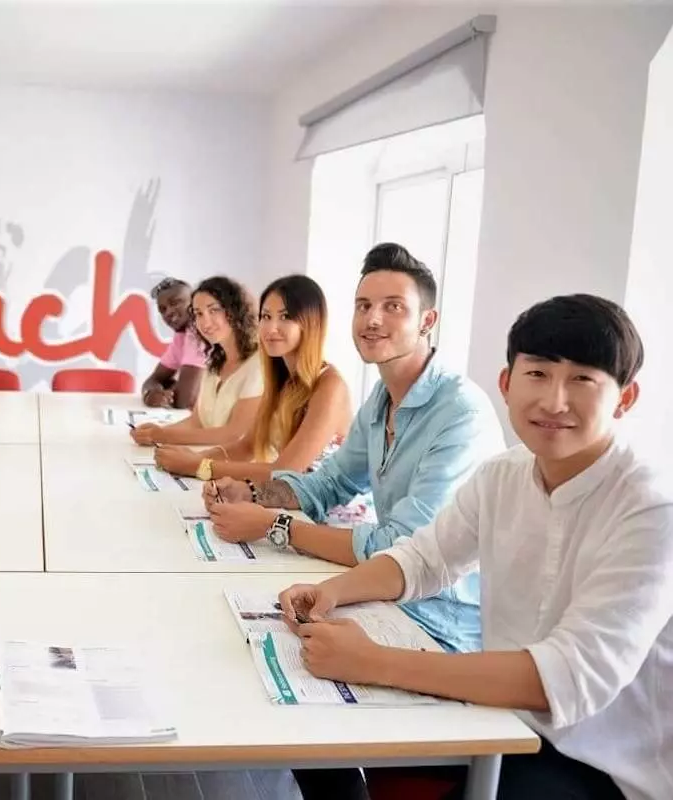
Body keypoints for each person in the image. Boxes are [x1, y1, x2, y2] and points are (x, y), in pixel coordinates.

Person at [278, 295, 671, 800]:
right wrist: (331, 591)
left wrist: (370, 660)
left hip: (603, 765)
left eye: (583, 380)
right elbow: (423, 559)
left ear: (625, 398)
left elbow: (569, 677)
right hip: (503, 718)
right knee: (319, 740)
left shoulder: (651, 506)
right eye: (538, 374)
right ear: (506, 384)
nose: (554, 401)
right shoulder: (503, 474)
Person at [205, 244, 503, 655]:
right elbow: (329, 482)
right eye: (363, 306)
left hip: (441, 627)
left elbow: (402, 547)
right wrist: (252, 493)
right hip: (384, 600)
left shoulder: (460, 412)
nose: (373, 319)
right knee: (230, 631)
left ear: (427, 321)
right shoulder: (383, 398)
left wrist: (275, 526)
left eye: (393, 307)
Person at [155, 274, 351, 481]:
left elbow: (285, 471)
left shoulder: (330, 385)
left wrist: (198, 466)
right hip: (285, 500)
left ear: (312, 323)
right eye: (266, 316)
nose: (271, 328)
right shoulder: (281, 377)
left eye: (285, 317)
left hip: (325, 511)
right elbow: (247, 446)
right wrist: (191, 458)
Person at [130, 276, 263, 449]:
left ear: (234, 310)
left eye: (213, 310)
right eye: (198, 313)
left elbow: (235, 434)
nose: (204, 321)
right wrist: (153, 433)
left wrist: (163, 435)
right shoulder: (214, 363)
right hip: (212, 460)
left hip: (245, 471)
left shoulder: (258, 364)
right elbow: (197, 422)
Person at [141, 277, 205, 409]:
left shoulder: (200, 332)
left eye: (176, 302)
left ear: (194, 302)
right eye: (162, 309)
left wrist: (169, 388)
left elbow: (185, 401)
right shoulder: (181, 337)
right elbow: (152, 381)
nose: (168, 312)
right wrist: (151, 394)